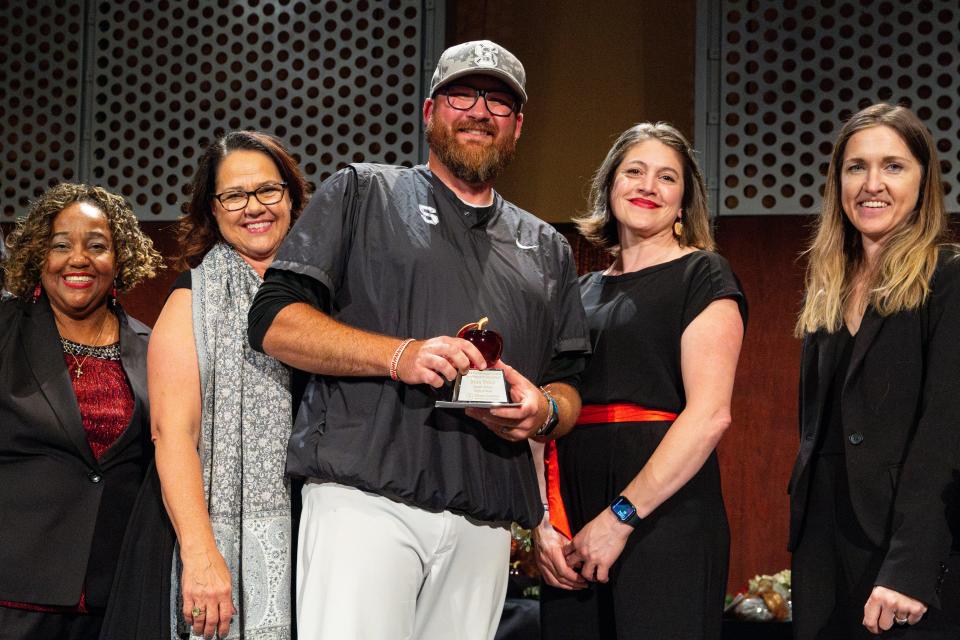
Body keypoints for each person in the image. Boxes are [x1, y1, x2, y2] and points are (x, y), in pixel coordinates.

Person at [247, 39, 590, 639]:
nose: (480, 111)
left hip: (484, 518)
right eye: (463, 94)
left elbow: (569, 384)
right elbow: (275, 322)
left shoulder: (548, 248)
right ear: (430, 111)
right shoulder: (362, 192)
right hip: (366, 498)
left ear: (518, 128)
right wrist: (400, 355)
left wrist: (545, 410)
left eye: (499, 102)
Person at [535, 122, 747, 640]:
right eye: (634, 171)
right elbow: (542, 413)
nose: (647, 186)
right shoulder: (574, 292)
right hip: (570, 513)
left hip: (663, 515)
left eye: (666, 178)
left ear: (683, 204)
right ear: (610, 187)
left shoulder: (704, 275)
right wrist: (541, 522)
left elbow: (710, 414)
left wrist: (619, 518)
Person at [102, 131, 311, 640]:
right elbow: (172, 436)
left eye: (267, 190)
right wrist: (201, 555)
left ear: (290, 197)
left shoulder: (328, 294)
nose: (253, 207)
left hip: (318, 531)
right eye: (234, 196)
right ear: (212, 211)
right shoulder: (189, 301)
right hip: (207, 533)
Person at [788, 103, 960, 638]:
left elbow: (946, 433)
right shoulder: (829, 285)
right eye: (855, 167)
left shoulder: (947, 277)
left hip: (903, 546)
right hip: (822, 538)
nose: (871, 184)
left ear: (923, 180)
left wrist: (910, 565)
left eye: (893, 166)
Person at [0, 183, 162, 639]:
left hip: (115, 597)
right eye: (60, 245)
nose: (78, 259)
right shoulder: (5, 331)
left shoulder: (154, 347)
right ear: (38, 255)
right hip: (13, 593)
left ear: (120, 258)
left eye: (97, 245)